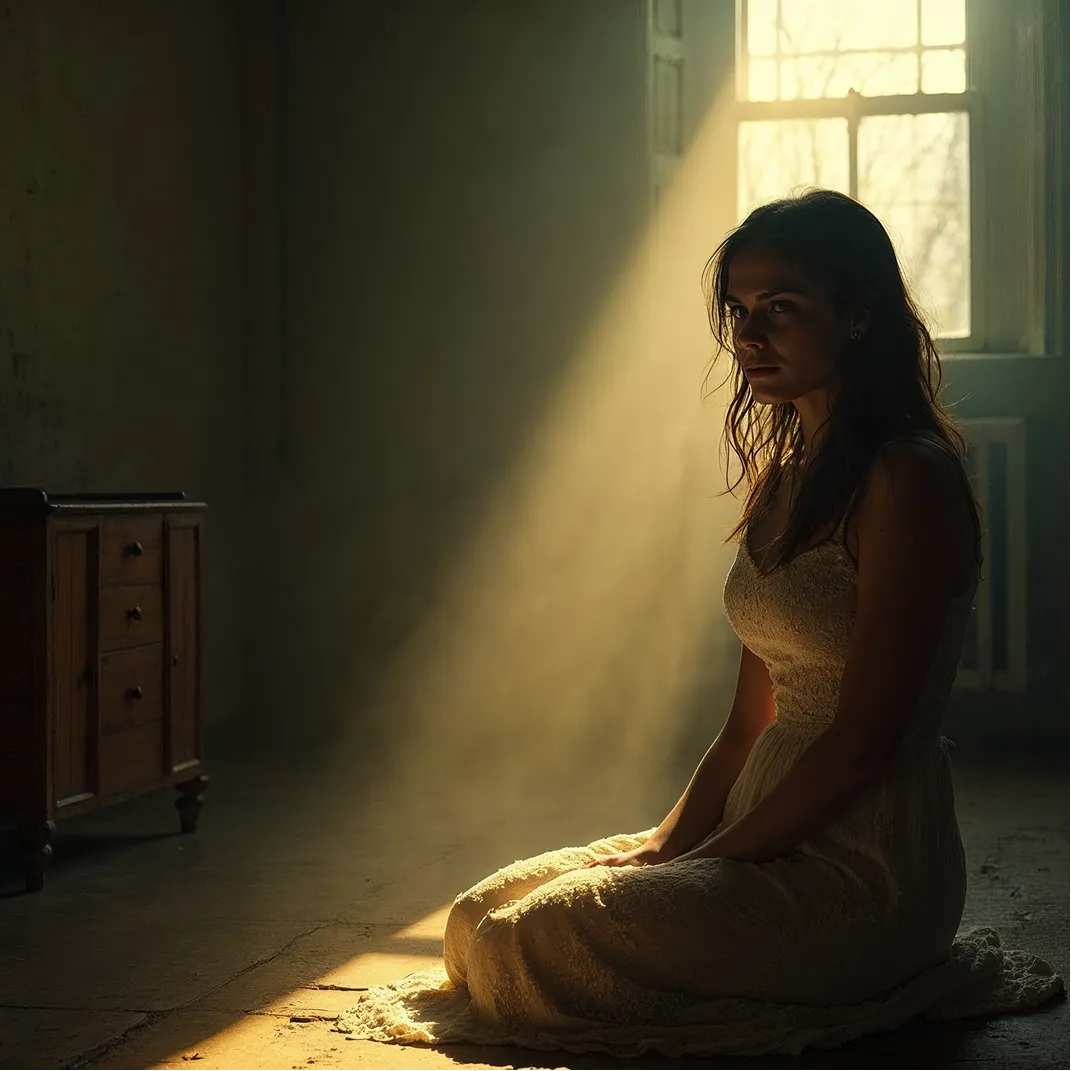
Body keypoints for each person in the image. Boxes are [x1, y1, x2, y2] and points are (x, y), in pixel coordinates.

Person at [338, 190, 1062, 1057]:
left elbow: (863, 743)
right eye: (739, 311)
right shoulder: (784, 479)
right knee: (475, 921)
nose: (748, 335)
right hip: (757, 825)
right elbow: (747, 721)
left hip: (864, 864)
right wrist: (664, 846)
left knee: (530, 944)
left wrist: (715, 865)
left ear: (858, 316)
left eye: (780, 309)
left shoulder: (908, 479)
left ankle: (839, 955)